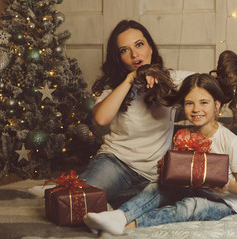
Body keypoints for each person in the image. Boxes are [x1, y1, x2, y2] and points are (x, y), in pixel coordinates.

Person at [83, 52, 237, 235]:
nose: (196, 110)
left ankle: (127, 225)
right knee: (159, 186)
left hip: (225, 202)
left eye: (204, 103)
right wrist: (169, 170)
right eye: (189, 103)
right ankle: (119, 216)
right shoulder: (184, 136)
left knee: (190, 206)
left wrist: (228, 185)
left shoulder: (232, 142)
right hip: (194, 189)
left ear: (217, 105)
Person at [79, 20, 191, 202]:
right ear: (118, 58)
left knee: (149, 205)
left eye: (139, 45)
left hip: (156, 172)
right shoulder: (113, 87)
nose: (134, 54)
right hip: (116, 163)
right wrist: (131, 79)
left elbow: (209, 86)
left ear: (151, 48)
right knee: (77, 200)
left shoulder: (174, 79)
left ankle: (119, 199)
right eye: (124, 50)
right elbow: (100, 118)